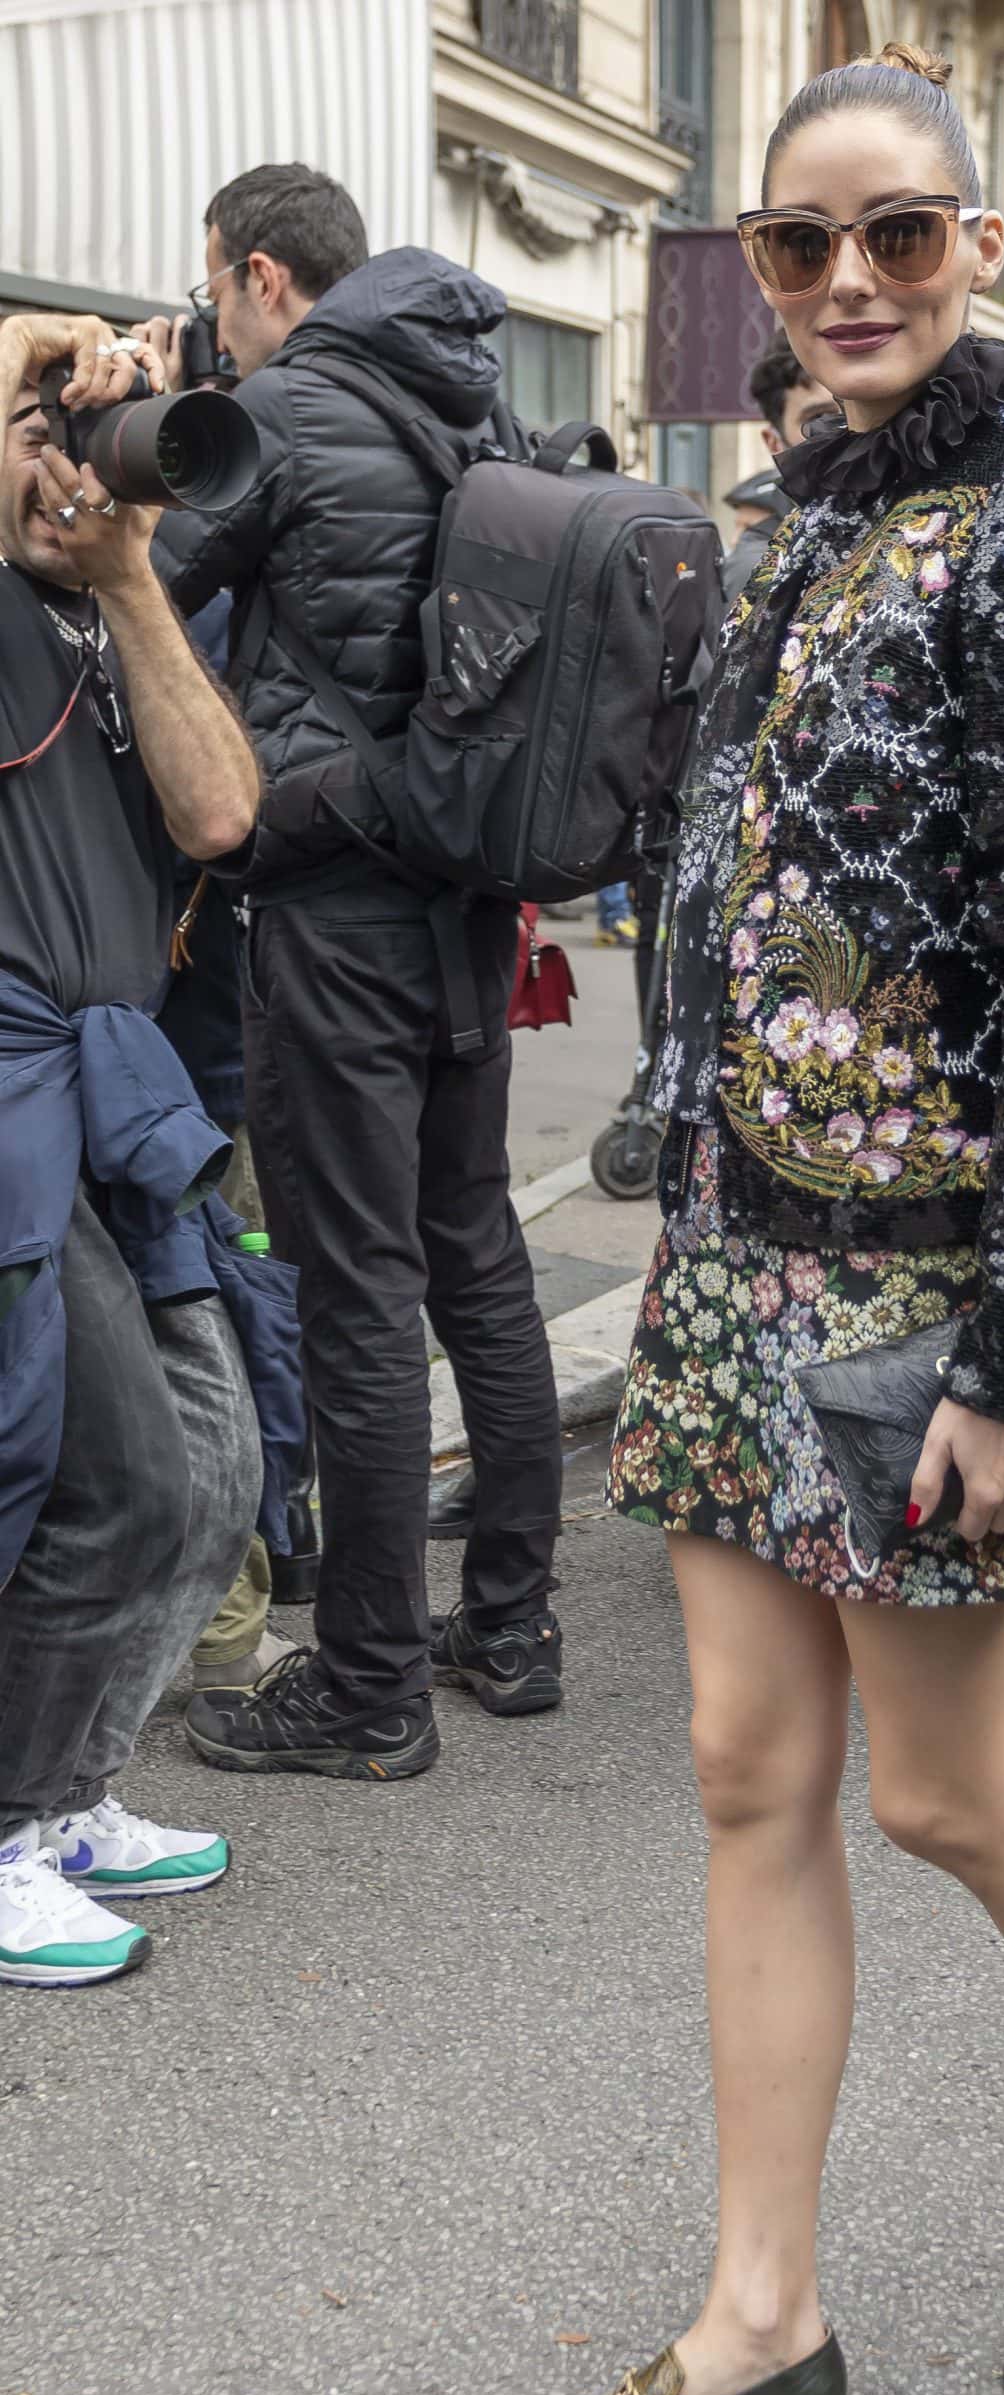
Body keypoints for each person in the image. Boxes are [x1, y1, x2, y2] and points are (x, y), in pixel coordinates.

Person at [469, 46, 1004, 2395]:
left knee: (935, 1783)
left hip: (928, 1280)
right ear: (746, 276)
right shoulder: (785, 521)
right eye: (797, 248)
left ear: (976, 252)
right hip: (735, 1251)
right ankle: (759, 2324)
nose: (840, 283)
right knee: (742, 1773)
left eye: (895, 238)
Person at [138, 165, 567, 1775]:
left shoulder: (292, 414)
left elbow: (141, 588)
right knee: (476, 1253)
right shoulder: (469, 408)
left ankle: (370, 1683)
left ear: (258, 275)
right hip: (466, 897)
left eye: (213, 297)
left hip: (329, 904)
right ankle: (510, 1623)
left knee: (357, 1293)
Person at [0, 313, 264, 1985]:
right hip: (16, 1101)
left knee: (219, 1467)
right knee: (113, 1482)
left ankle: (69, 1789)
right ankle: (9, 1825)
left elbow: (222, 811)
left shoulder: (96, 611)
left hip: (114, 1091)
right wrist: (18, 355)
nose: (62, 458)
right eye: (35, 427)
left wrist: (132, 574)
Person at [720, 327, 842, 603]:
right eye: (820, 416)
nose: (849, 428)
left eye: (861, 406)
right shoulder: (762, 571)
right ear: (774, 443)